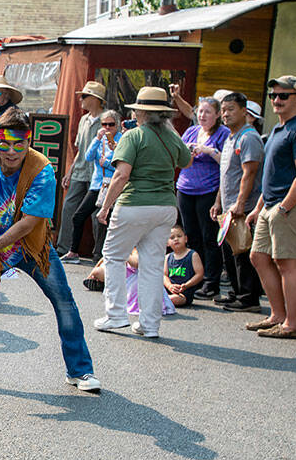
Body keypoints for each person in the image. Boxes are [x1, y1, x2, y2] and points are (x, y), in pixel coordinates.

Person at [0, 109, 99, 392]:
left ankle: (80, 371)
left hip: (31, 246)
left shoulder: (42, 169)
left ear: (29, 141)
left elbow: (29, 223)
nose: (11, 151)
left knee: (64, 301)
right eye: (5, 144)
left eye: (19, 144)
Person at [94, 87, 191, 339]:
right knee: (152, 264)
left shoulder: (133, 136)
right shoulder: (172, 137)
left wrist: (105, 206)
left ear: (141, 112)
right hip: (166, 206)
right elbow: (186, 161)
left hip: (134, 204)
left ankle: (115, 314)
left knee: (114, 256)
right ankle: (149, 324)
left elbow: (121, 174)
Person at [245, 75, 296, 339]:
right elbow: (273, 174)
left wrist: (285, 207)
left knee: (287, 263)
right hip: (272, 205)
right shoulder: (279, 128)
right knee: (258, 257)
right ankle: (277, 315)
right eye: (273, 96)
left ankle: (293, 323)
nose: (277, 100)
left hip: (291, 207)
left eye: (284, 95)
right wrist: (258, 207)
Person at [210, 92, 264, 311]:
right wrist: (218, 202)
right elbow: (226, 175)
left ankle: (249, 298)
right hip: (228, 205)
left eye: (231, 109)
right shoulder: (231, 137)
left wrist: (240, 204)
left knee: (242, 252)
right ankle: (236, 292)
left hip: (244, 207)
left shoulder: (248, 137)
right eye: (223, 110)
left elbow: (249, 173)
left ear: (244, 111)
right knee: (230, 253)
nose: (226, 114)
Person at [175, 96, 229, 299]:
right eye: (200, 112)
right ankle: (193, 279)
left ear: (217, 115)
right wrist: (189, 152)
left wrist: (208, 150)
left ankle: (211, 282)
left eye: (208, 112)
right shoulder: (191, 131)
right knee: (191, 235)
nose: (203, 116)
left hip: (208, 190)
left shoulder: (223, 134)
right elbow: (180, 157)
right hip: (185, 188)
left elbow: (227, 162)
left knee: (210, 237)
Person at [58, 81, 106, 262]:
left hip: (98, 175)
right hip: (80, 172)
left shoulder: (107, 120)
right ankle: (65, 248)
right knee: (69, 208)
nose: (81, 99)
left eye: (84, 96)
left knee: (97, 214)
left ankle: (99, 254)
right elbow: (80, 150)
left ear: (95, 99)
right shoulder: (84, 120)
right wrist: (69, 172)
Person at [68, 109, 119, 262]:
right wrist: (97, 139)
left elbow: (122, 164)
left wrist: (108, 164)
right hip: (97, 184)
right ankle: (73, 251)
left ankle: (100, 255)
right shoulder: (100, 139)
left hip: (112, 184)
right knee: (78, 216)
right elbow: (88, 157)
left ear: (117, 125)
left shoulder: (121, 139)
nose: (107, 128)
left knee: (104, 220)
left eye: (111, 124)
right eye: (104, 124)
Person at [164, 225, 203, 308]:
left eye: (179, 236)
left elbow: (199, 274)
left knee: (175, 299)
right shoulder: (167, 257)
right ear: (167, 242)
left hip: (184, 293)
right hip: (169, 290)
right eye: (172, 237)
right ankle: (162, 300)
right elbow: (164, 275)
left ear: (185, 238)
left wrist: (186, 285)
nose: (176, 239)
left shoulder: (193, 255)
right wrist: (169, 286)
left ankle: (162, 301)